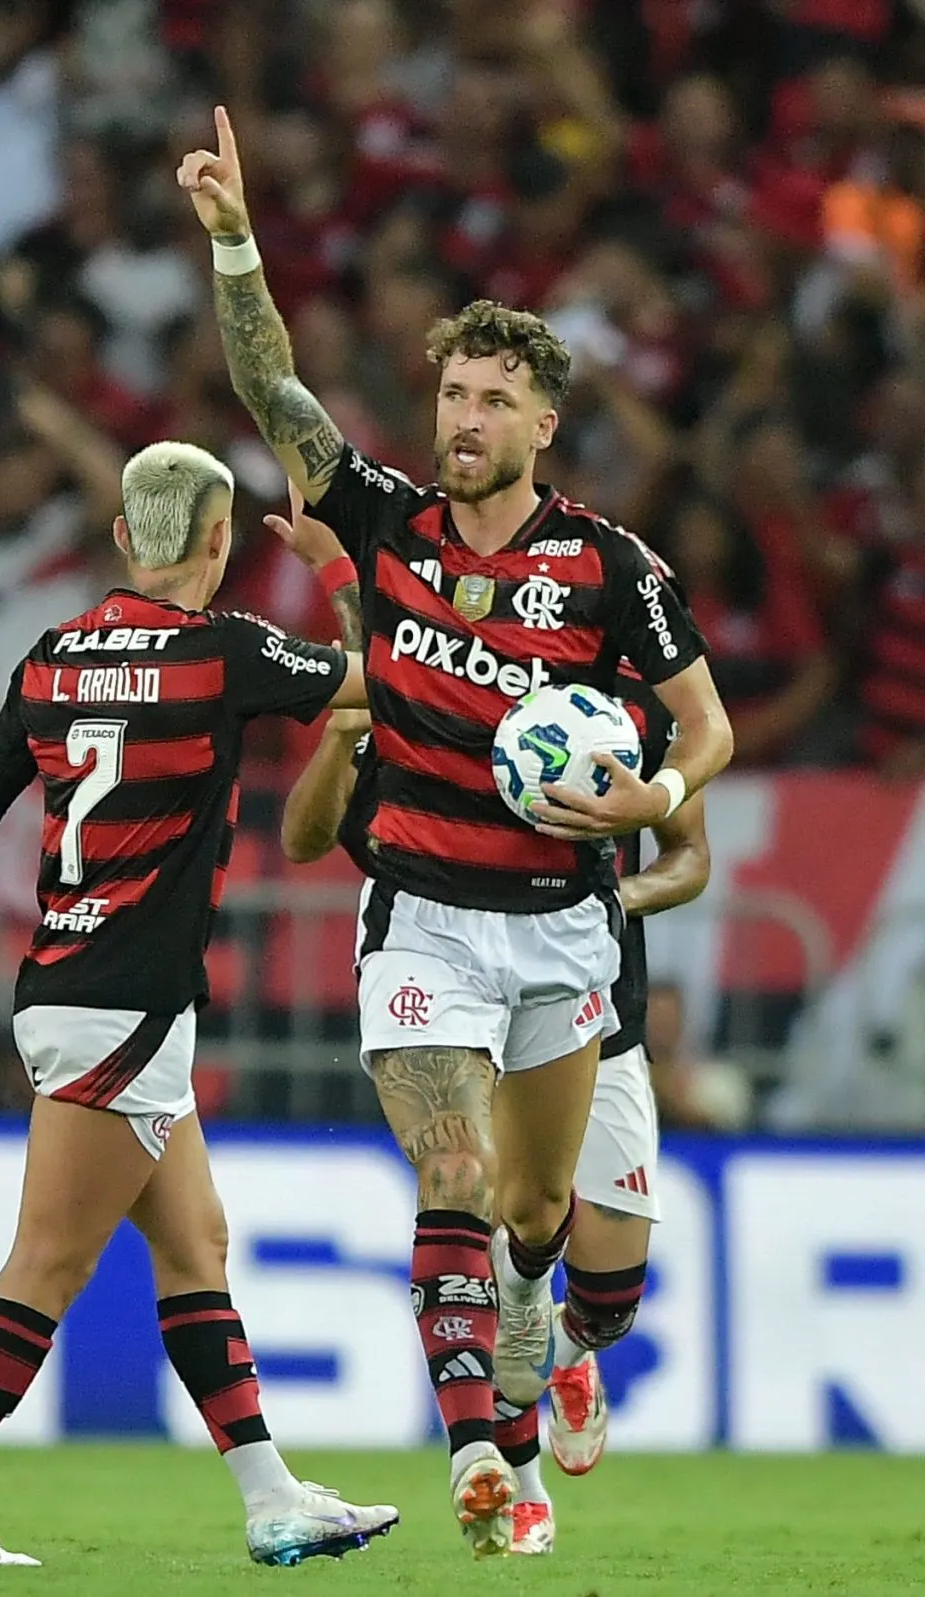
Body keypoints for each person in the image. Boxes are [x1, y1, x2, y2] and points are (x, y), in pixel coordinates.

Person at [180, 105, 737, 1555]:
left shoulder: (612, 570)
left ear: (544, 424)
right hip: (421, 913)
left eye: (496, 400)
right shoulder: (386, 526)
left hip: (564, 922)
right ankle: (484, 1450)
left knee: (546, 1218)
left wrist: (654, 799)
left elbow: (708, 725)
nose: (466, 419)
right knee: (455, 1180)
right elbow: (276, 392)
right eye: (454, 395)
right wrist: (237, 239)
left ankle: (550, 1323)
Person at [0, 441, 387, 1568]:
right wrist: (342, 572)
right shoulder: (223, 651)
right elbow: (378, 682)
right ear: (217, 543)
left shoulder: (56, 654)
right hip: (126, 1002)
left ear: (120, 539)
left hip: (69, 982)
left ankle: (269, 1498)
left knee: (195, 1244)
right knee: (47, 1263)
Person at [282, 674, 710, 1557]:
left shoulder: (639, 698)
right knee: (481, 1189)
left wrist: (613, 898)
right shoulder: (440, 673)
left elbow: (690, 857)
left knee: (605, 1291)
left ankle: (561, 1331)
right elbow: (308, 835)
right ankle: (514, 1475)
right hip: (461, 967)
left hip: (590, 985)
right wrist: (340, 735)